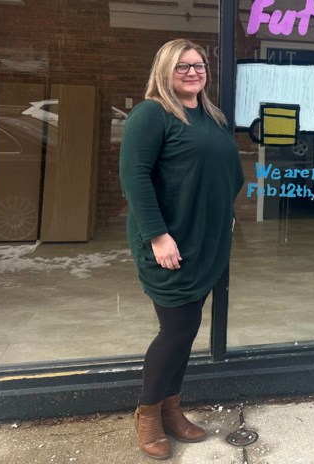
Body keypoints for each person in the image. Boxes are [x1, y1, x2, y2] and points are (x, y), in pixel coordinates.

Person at [119, 39, 244, 459]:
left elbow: (228, 170)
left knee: (187, 330)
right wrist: (157, 235)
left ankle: (172, 409)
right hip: (169, 240)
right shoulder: (152, 114)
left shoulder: (212, 116)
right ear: (164, 71)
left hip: (206, 238)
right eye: (182, 67)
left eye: (199, 65)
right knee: (176, 331)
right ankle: (148, 414)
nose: (193, 72)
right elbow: (134, 177)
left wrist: (225, 208)